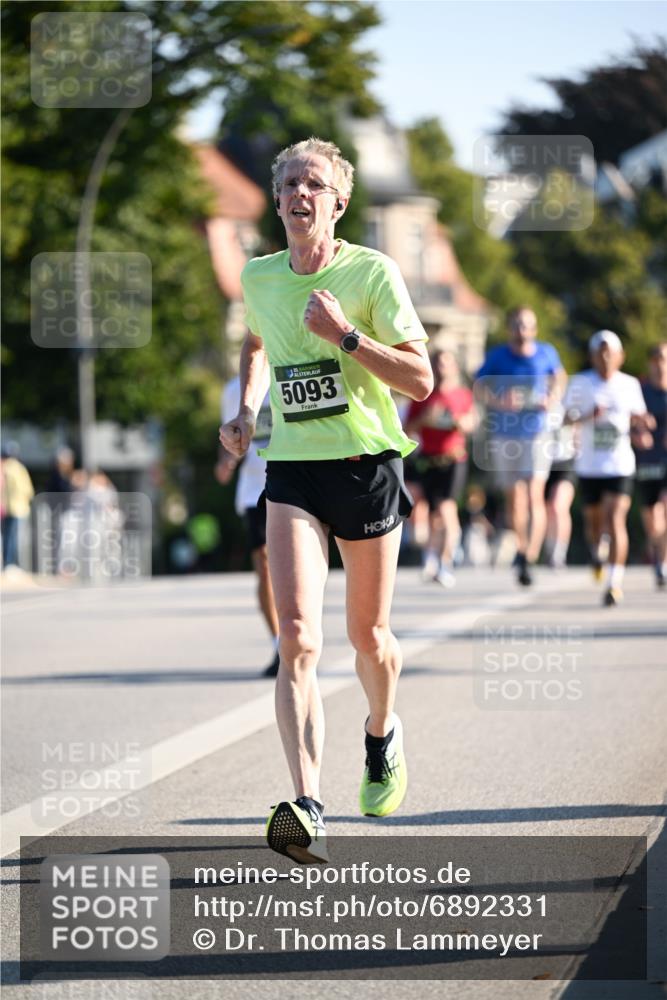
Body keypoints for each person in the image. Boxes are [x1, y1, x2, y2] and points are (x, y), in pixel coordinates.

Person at [219, 137, 432, 864]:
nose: (298, 194)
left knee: (367, 638)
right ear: (276, 200)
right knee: (298, 638)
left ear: (338, 202)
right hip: (293, 472)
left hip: (366, 465)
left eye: (313, 184)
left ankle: (380, 732)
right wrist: (248, 410)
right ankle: (307, 802)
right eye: (287, 185)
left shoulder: (371, 272)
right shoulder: (258, 277)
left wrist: (343, 335)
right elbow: (254, 343)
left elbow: (420, 381)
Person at [474, 307, 566, 586]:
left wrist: (552, 397)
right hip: (505, 434)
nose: (521, 329)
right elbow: (478, 385)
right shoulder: (498, 356)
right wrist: (500, 402)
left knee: (535, 494)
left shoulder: (546, 352)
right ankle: (522, 546)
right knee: (515, 497)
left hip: (537, 432)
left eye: (526, 324)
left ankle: (529, 555)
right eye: (516, 324)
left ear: (534, 328)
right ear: (509, 328)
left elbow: (559, 377)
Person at [563, 329, 654, 606]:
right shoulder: (580, 383)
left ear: (620, 357)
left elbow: (639, 417)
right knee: (594, 525)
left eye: (610, 353)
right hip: (590, 466)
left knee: (615, 520)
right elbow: (565, 418)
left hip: (620, 464)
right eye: (600, 352)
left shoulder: (629, 385)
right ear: (591, 356)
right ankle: (596, 550)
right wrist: (588, 416)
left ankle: (614, 583)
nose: (605, 358)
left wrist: (644, 426)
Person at [217, 375, 280, 675]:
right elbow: (229, 434)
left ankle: (300, 637)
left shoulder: (288, 369)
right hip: (254, 489)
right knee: (264, 564)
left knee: (297, 567)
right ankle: (280, 643)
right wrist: (225, 462)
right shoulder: (233, 390)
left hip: (294, 482)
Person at [404, 349, 475, 587]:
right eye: (437, 363)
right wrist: (425, 419)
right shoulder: (422, 396)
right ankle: (431, 558)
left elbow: (471, 423)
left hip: (453, 459)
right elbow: (407, 429)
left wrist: (459, 422)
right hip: (427, 460)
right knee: (430, 516)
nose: (442, 368)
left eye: (446, 363)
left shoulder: (463, 395)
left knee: (446, 509)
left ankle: (445, 563)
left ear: (454, 367)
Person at [634, 343, 667, 588]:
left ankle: (662, 564)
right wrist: (637, 435)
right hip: (646, 461)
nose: (660, 365)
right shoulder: (640, 391)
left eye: (664, 359)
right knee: (652, 518)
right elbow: (627, 421)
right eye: (656, 360)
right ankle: (657, 556)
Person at [543, 405, 577, 568]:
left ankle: (559, 553)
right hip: (542, 462)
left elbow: (579, 424)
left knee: (558, 506)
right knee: (548, 510)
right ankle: (549, 550)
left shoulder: (567, 402)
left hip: (565, 462)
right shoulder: (535, 401)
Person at [1, 442, 34, 569]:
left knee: (8, 536)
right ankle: (11, 563)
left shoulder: (5, 467)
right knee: (14, 538)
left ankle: (7, 563)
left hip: (7, 508)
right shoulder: (18, 468)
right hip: (19, 508)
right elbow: (27, 490)